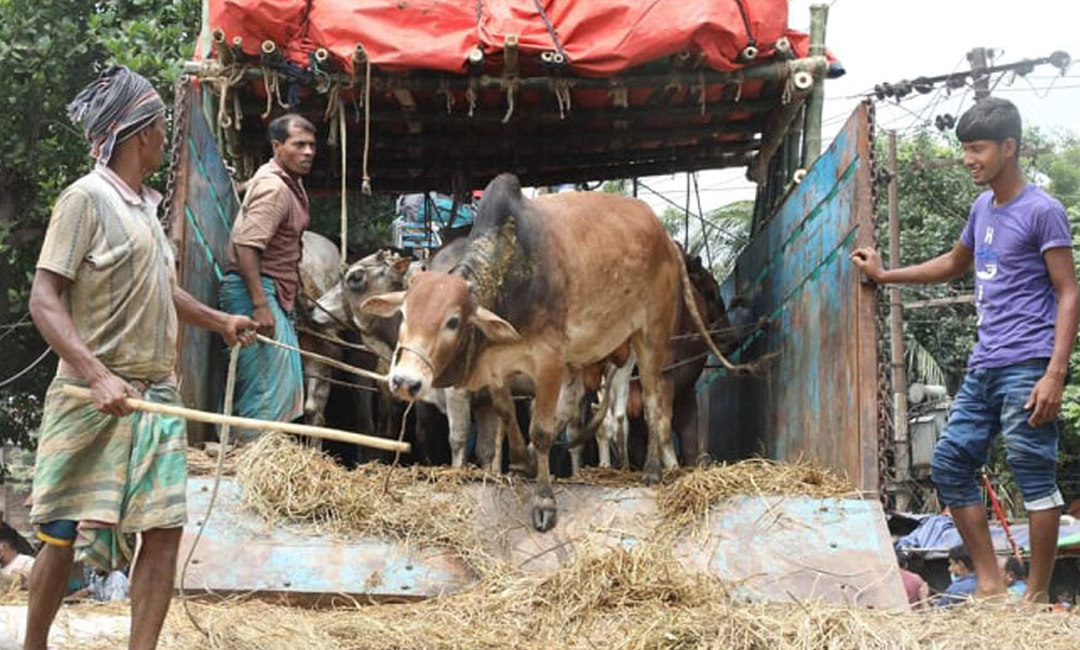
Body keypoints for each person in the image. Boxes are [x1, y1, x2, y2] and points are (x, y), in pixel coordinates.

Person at [25, 66, 257, 650]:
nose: (164, 136)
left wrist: (220, 320)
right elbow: (43, 298)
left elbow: (161, 290)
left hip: (153, 399)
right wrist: (99, 375)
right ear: (138, 133)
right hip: (90, 398)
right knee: (59, 532)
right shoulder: (86, 200)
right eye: (159, 126)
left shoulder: (144, 211)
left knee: (164, 528)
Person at [852, 97, 1079, 603]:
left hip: (1028, 364)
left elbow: (1069, 292)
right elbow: (955, 262)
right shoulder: (982, 208)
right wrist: (886, 275)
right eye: (964, 149)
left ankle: (1037, 595)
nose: (968, 159)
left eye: (977, 149)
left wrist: (1055, 373)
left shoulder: (1043, 211)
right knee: (951, 462)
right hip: (985, 364)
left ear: (1008, 148)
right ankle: (991, 583)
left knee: (1034, 474)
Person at [219, 113, 316, 438]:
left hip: (271, 291)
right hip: (255, 291)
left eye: (311, 146)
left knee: (283, 386)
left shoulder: (283, 180)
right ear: (277, 146)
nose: (308, 152)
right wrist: (260, 305)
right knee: (267, 389)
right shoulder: (275, 188)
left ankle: (260, 457)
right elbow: (246, 245)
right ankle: (252, 463)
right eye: (298, 145)